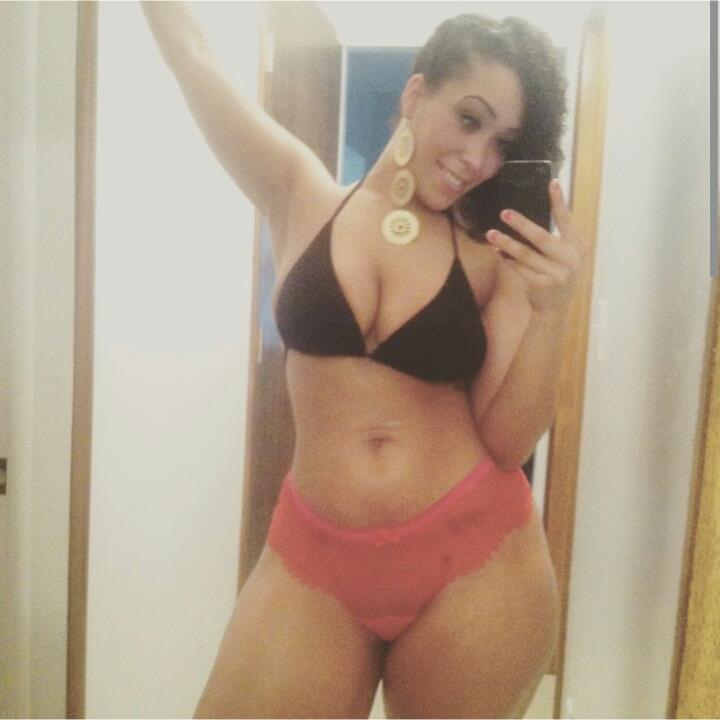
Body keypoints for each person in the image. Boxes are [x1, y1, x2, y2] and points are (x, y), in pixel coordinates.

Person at [142, 4, 586, 718]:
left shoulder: (494, 255)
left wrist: (553, 313)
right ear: (415, 93)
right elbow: (192, 58)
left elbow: (510, 440)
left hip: (476, 561)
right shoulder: (298, 191)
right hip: (313, 563)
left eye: (502, 143)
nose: (478, 159)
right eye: (468, 119)